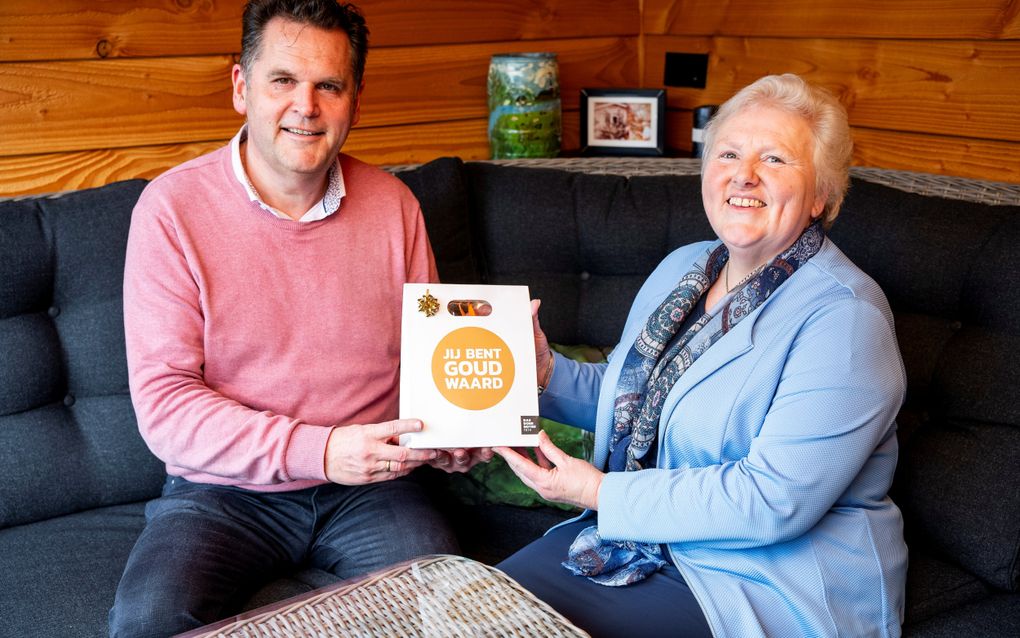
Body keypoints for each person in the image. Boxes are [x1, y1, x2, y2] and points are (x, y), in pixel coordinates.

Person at [110, 2, 488, 636]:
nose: (305, 106)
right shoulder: (170, 209)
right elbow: (166, 408)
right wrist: (320, 449)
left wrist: (455, 433)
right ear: (241, 87)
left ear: (355, 102)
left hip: (374, 485)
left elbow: (434, 361)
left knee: (453, 613)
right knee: (147, 621)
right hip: (223, 494)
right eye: (283, 80)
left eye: (328, 86)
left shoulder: (395, 206)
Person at [495, 74, 908, 637]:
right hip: (640, 541)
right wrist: (543, 373)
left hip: (761, 580)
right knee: (476, 608)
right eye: (730, 153)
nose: (745, 173)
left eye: (776, 159)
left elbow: (772, 499)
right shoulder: (686, 267)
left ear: (821, 197)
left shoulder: (846, 319)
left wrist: (599, 492)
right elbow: (637, 397)